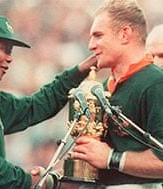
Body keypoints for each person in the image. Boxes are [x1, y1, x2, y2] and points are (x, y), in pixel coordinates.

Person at [0, 15, 97, 189]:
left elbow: (31, 108)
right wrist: (29, 180)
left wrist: (77, 73)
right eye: (4, 49)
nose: (10, 58)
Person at [71, 0, 163, 188]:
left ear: (124, 34)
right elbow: (99, 163)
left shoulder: (155, 83)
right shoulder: (100, 88)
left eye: (98, 36)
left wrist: (111, 158)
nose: (91, 45)